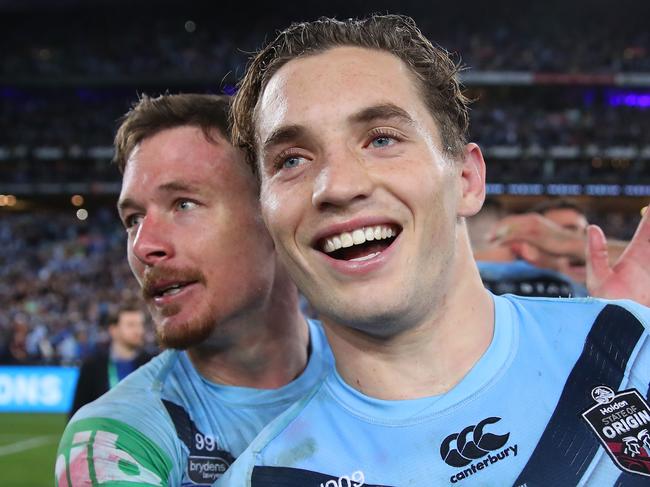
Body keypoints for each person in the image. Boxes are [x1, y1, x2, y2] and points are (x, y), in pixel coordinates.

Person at [218, 15, 650, 485]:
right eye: (292, 160)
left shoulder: (632, 348)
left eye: (382, 138)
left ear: (468, 180)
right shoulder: (267, 476)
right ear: (266, 217)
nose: (338, 186)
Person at [55, 94, 333, 486]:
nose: (142, 246)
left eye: (183, 204)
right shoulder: (114, 438)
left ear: (276, 213)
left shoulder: (393, 374)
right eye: (133, 219)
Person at [69, 302, 151, 417]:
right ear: (114, 330)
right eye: (131, 325)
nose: (139, 331)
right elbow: (77, 413)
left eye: (140, 324)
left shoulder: (152, 364)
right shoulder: (93, 366)